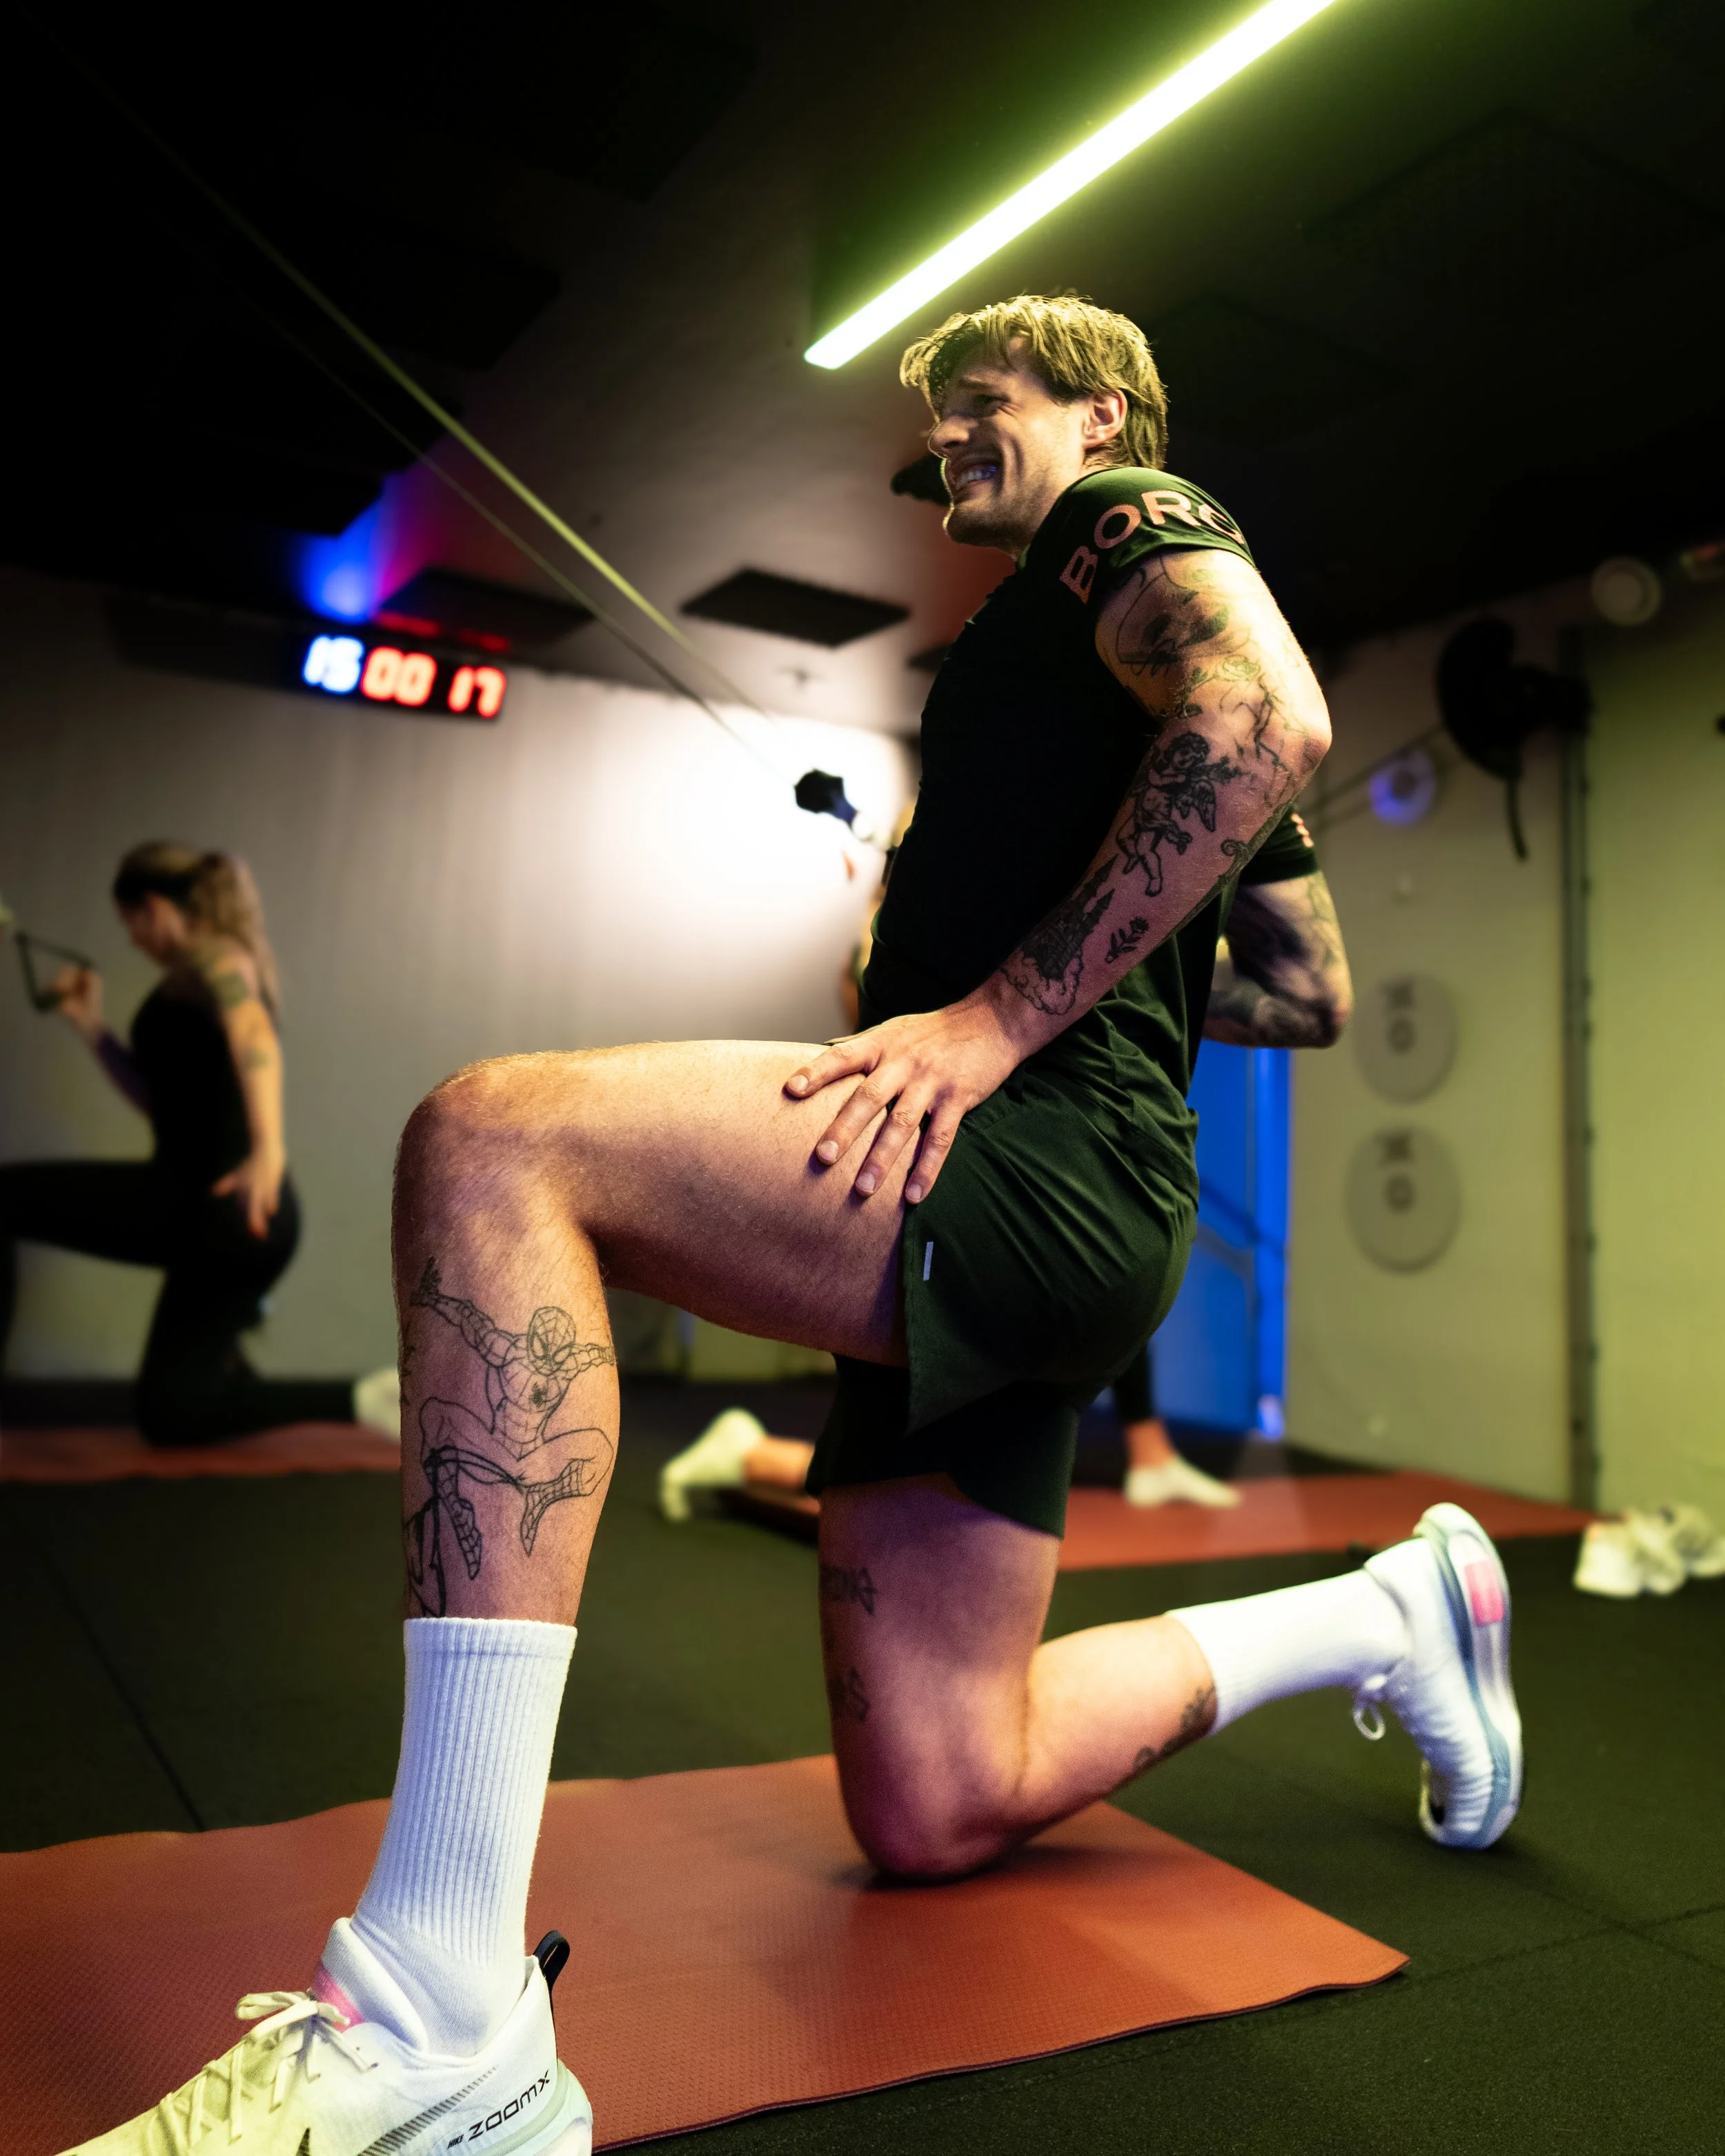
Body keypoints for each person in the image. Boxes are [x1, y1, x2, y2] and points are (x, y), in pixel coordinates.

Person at [81, 298, 1520, 2155]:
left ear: (1098, 409)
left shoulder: (1129, 514)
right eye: (932, 425)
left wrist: (999, 1011)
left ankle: (441, 2001)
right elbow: (1302, 986)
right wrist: (991, 940)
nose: (945, 452)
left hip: (1034, 1162)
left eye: (978, 405)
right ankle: (1387, 1608)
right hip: (1050, 1209)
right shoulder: (1052, 654)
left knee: (493, 1139)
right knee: (938, 1794)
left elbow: (1267, 718)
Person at [1, 842, 398, 1447]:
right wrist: (91, 1028)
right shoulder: (188, 982)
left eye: (130, 922)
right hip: (226, 1224)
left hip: (215, 1207)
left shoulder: (218, 958)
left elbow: (251, 1027)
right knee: (170, 1415)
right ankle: (360, 1397)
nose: (133, 938)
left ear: (154, 908)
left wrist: (270, 1149)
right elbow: (159, 1102)